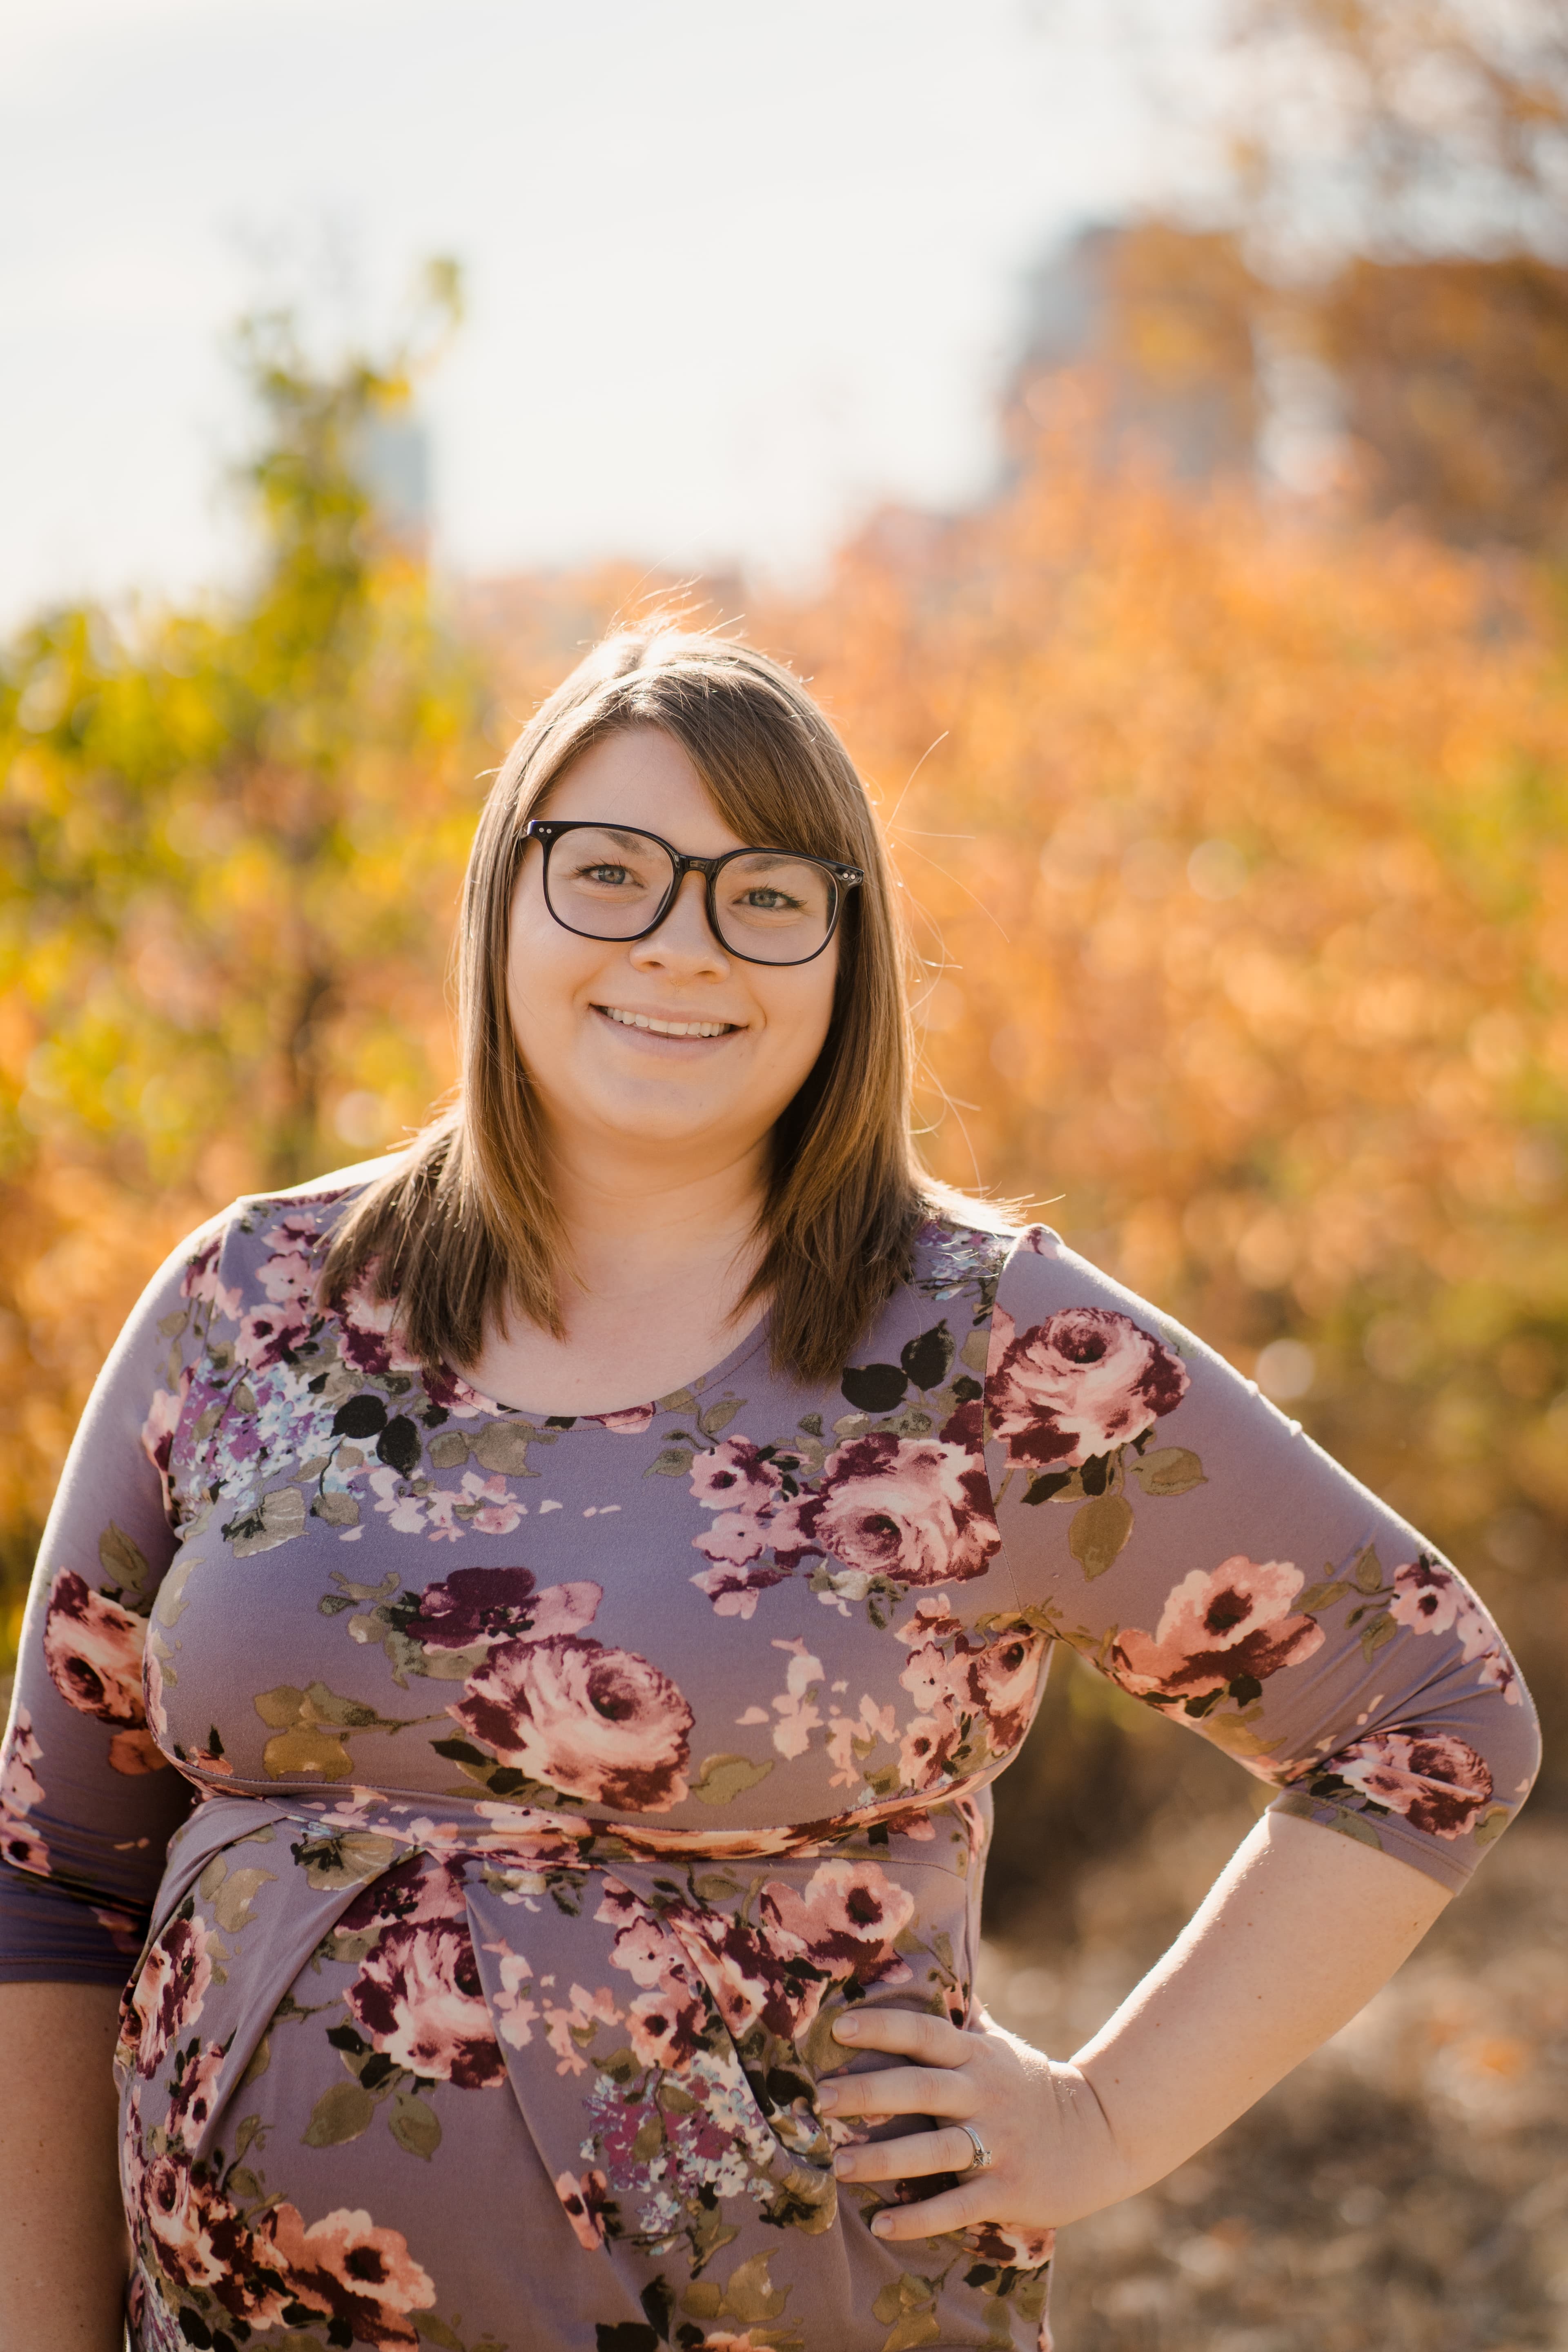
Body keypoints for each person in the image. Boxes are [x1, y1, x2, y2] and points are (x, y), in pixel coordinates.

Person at [0, 629, 1539, 2352]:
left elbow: (1428, 1716)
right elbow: (53, 1882)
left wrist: (1105, 2123)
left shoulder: (986, 1344)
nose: (681, 941)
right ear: (499, 902)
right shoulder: (253, 1301)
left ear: (847, 953)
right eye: (609, 873)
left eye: (764, 894)